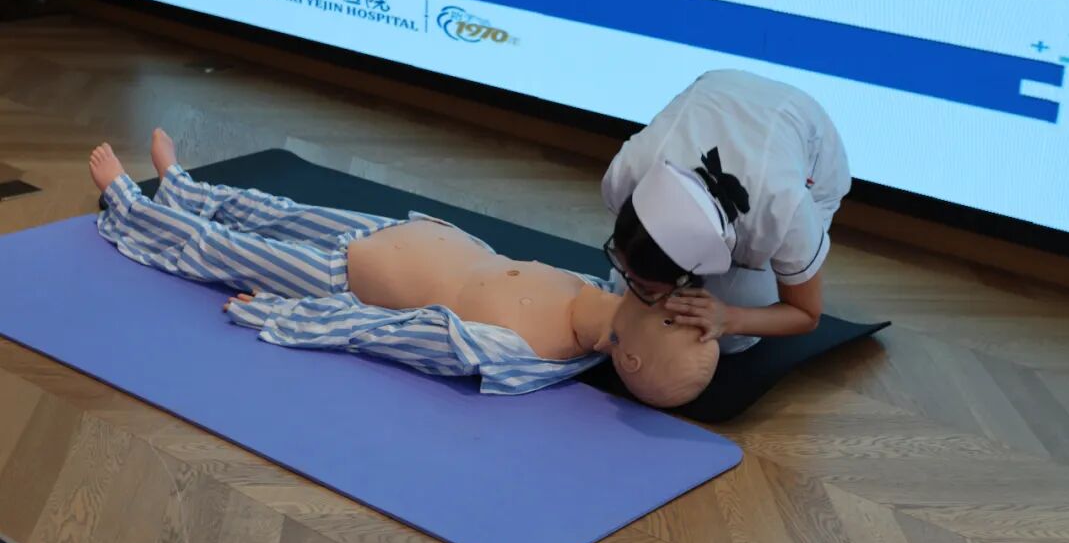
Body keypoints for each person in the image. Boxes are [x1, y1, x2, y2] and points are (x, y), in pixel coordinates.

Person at [87, 129, 719, 408]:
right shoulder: (602, 287)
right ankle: (186, 189)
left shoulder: (520, 351)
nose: (677, 307)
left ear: (631, 361)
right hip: (389, 235)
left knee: (226, 250)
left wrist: (290, 315)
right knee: (274, 210)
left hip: (343, 279)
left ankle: (131, 205)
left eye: (674, 324)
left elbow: (391, 334)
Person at [602, 69, 851, 355]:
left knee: (724, 336)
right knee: (622, 294)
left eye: (647, 287)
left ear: (687, 276)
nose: (634, 285)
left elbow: (806, 314)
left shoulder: (783, 212)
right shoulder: (628, 173)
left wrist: (730, 318)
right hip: (720, 89)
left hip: (807, 142)